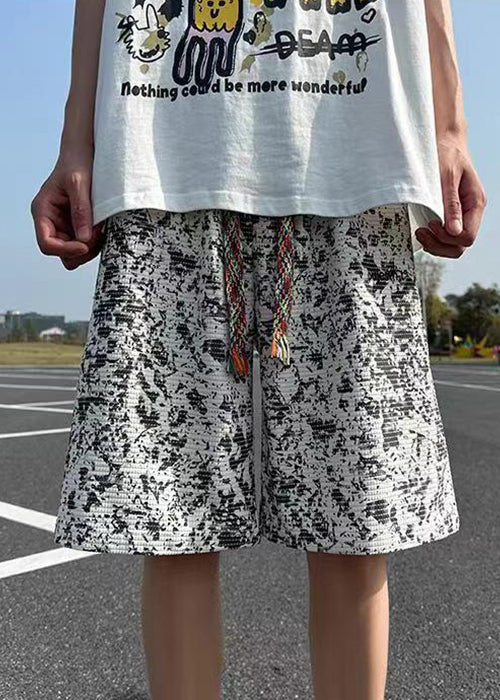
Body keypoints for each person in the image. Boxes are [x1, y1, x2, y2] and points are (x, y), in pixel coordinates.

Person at [31, 1, 486, 698]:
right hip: (161, 131)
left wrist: (449, 129)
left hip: (355, 137)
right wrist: (77, 141)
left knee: (354, 518)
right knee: (173, 513)